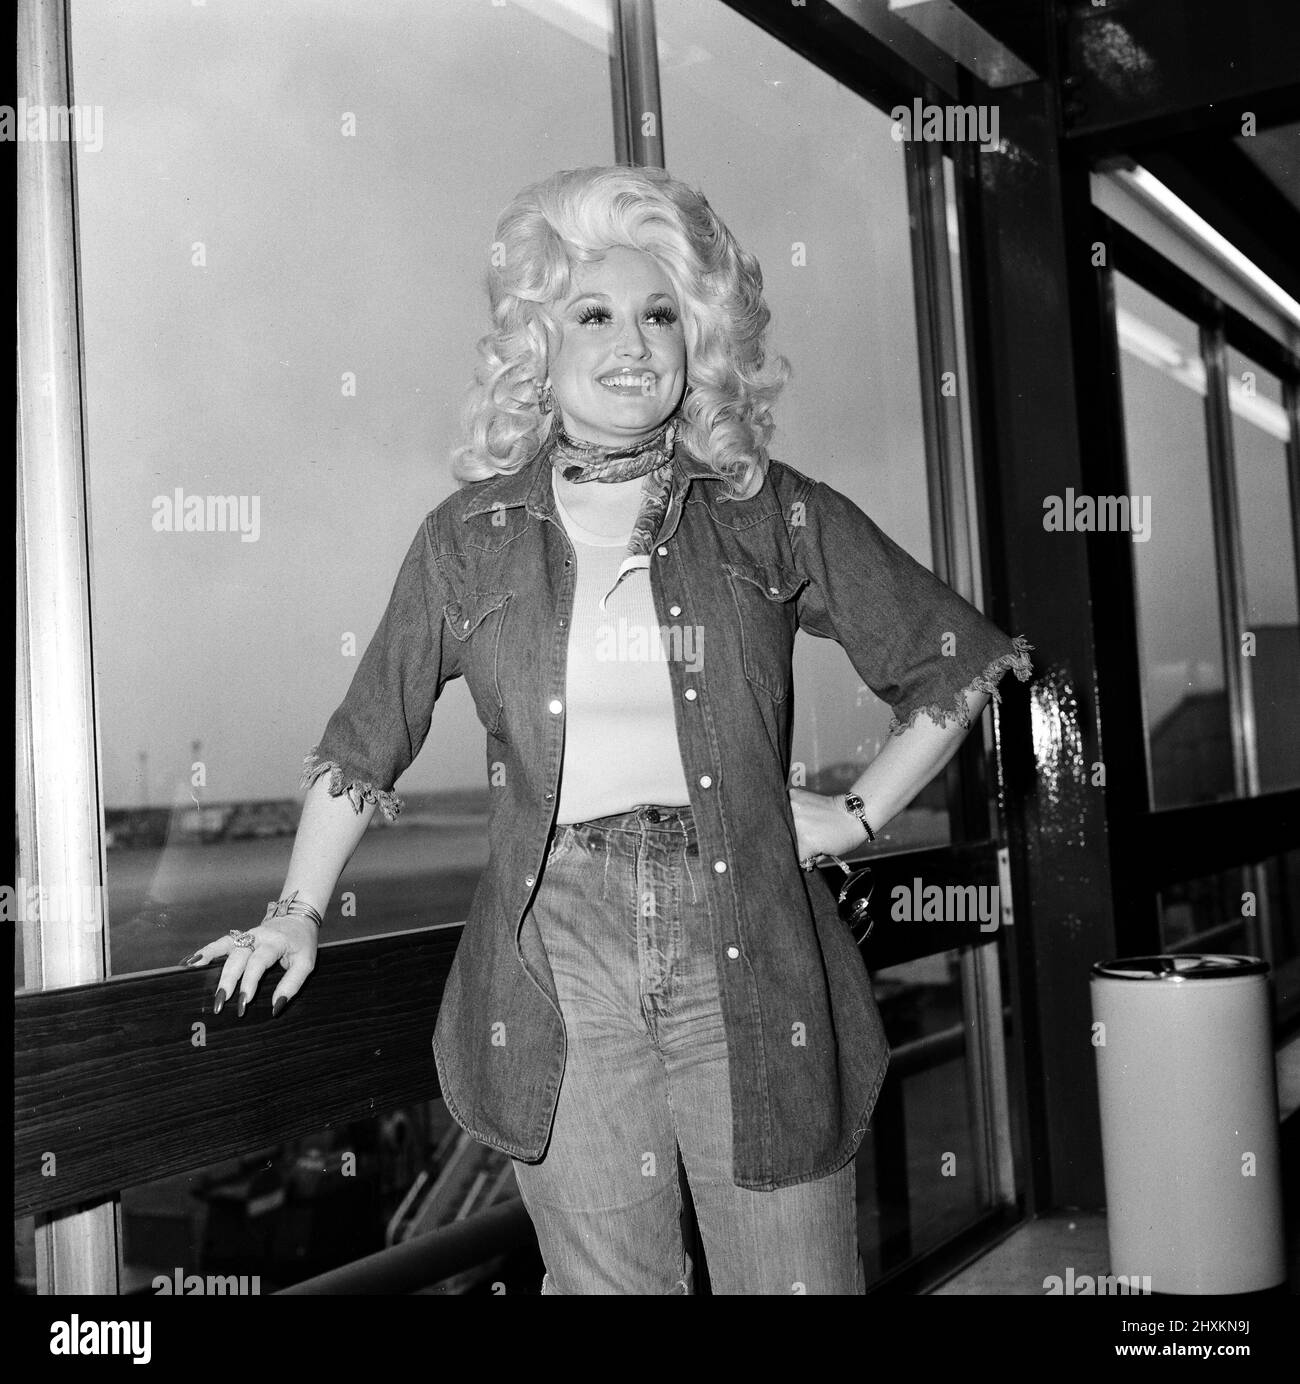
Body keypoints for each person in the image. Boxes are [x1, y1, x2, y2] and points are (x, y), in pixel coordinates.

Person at [183, 164, 1032, 1294]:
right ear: (541, 339)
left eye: (660, 313)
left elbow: (956, 659)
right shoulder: (466, 538)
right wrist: (293, 912)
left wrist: (860, 810)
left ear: (700, 337)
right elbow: (361, 742)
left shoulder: (763, 507)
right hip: (556, 950)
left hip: (753, 944)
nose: (632, 340)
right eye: (595, 312)